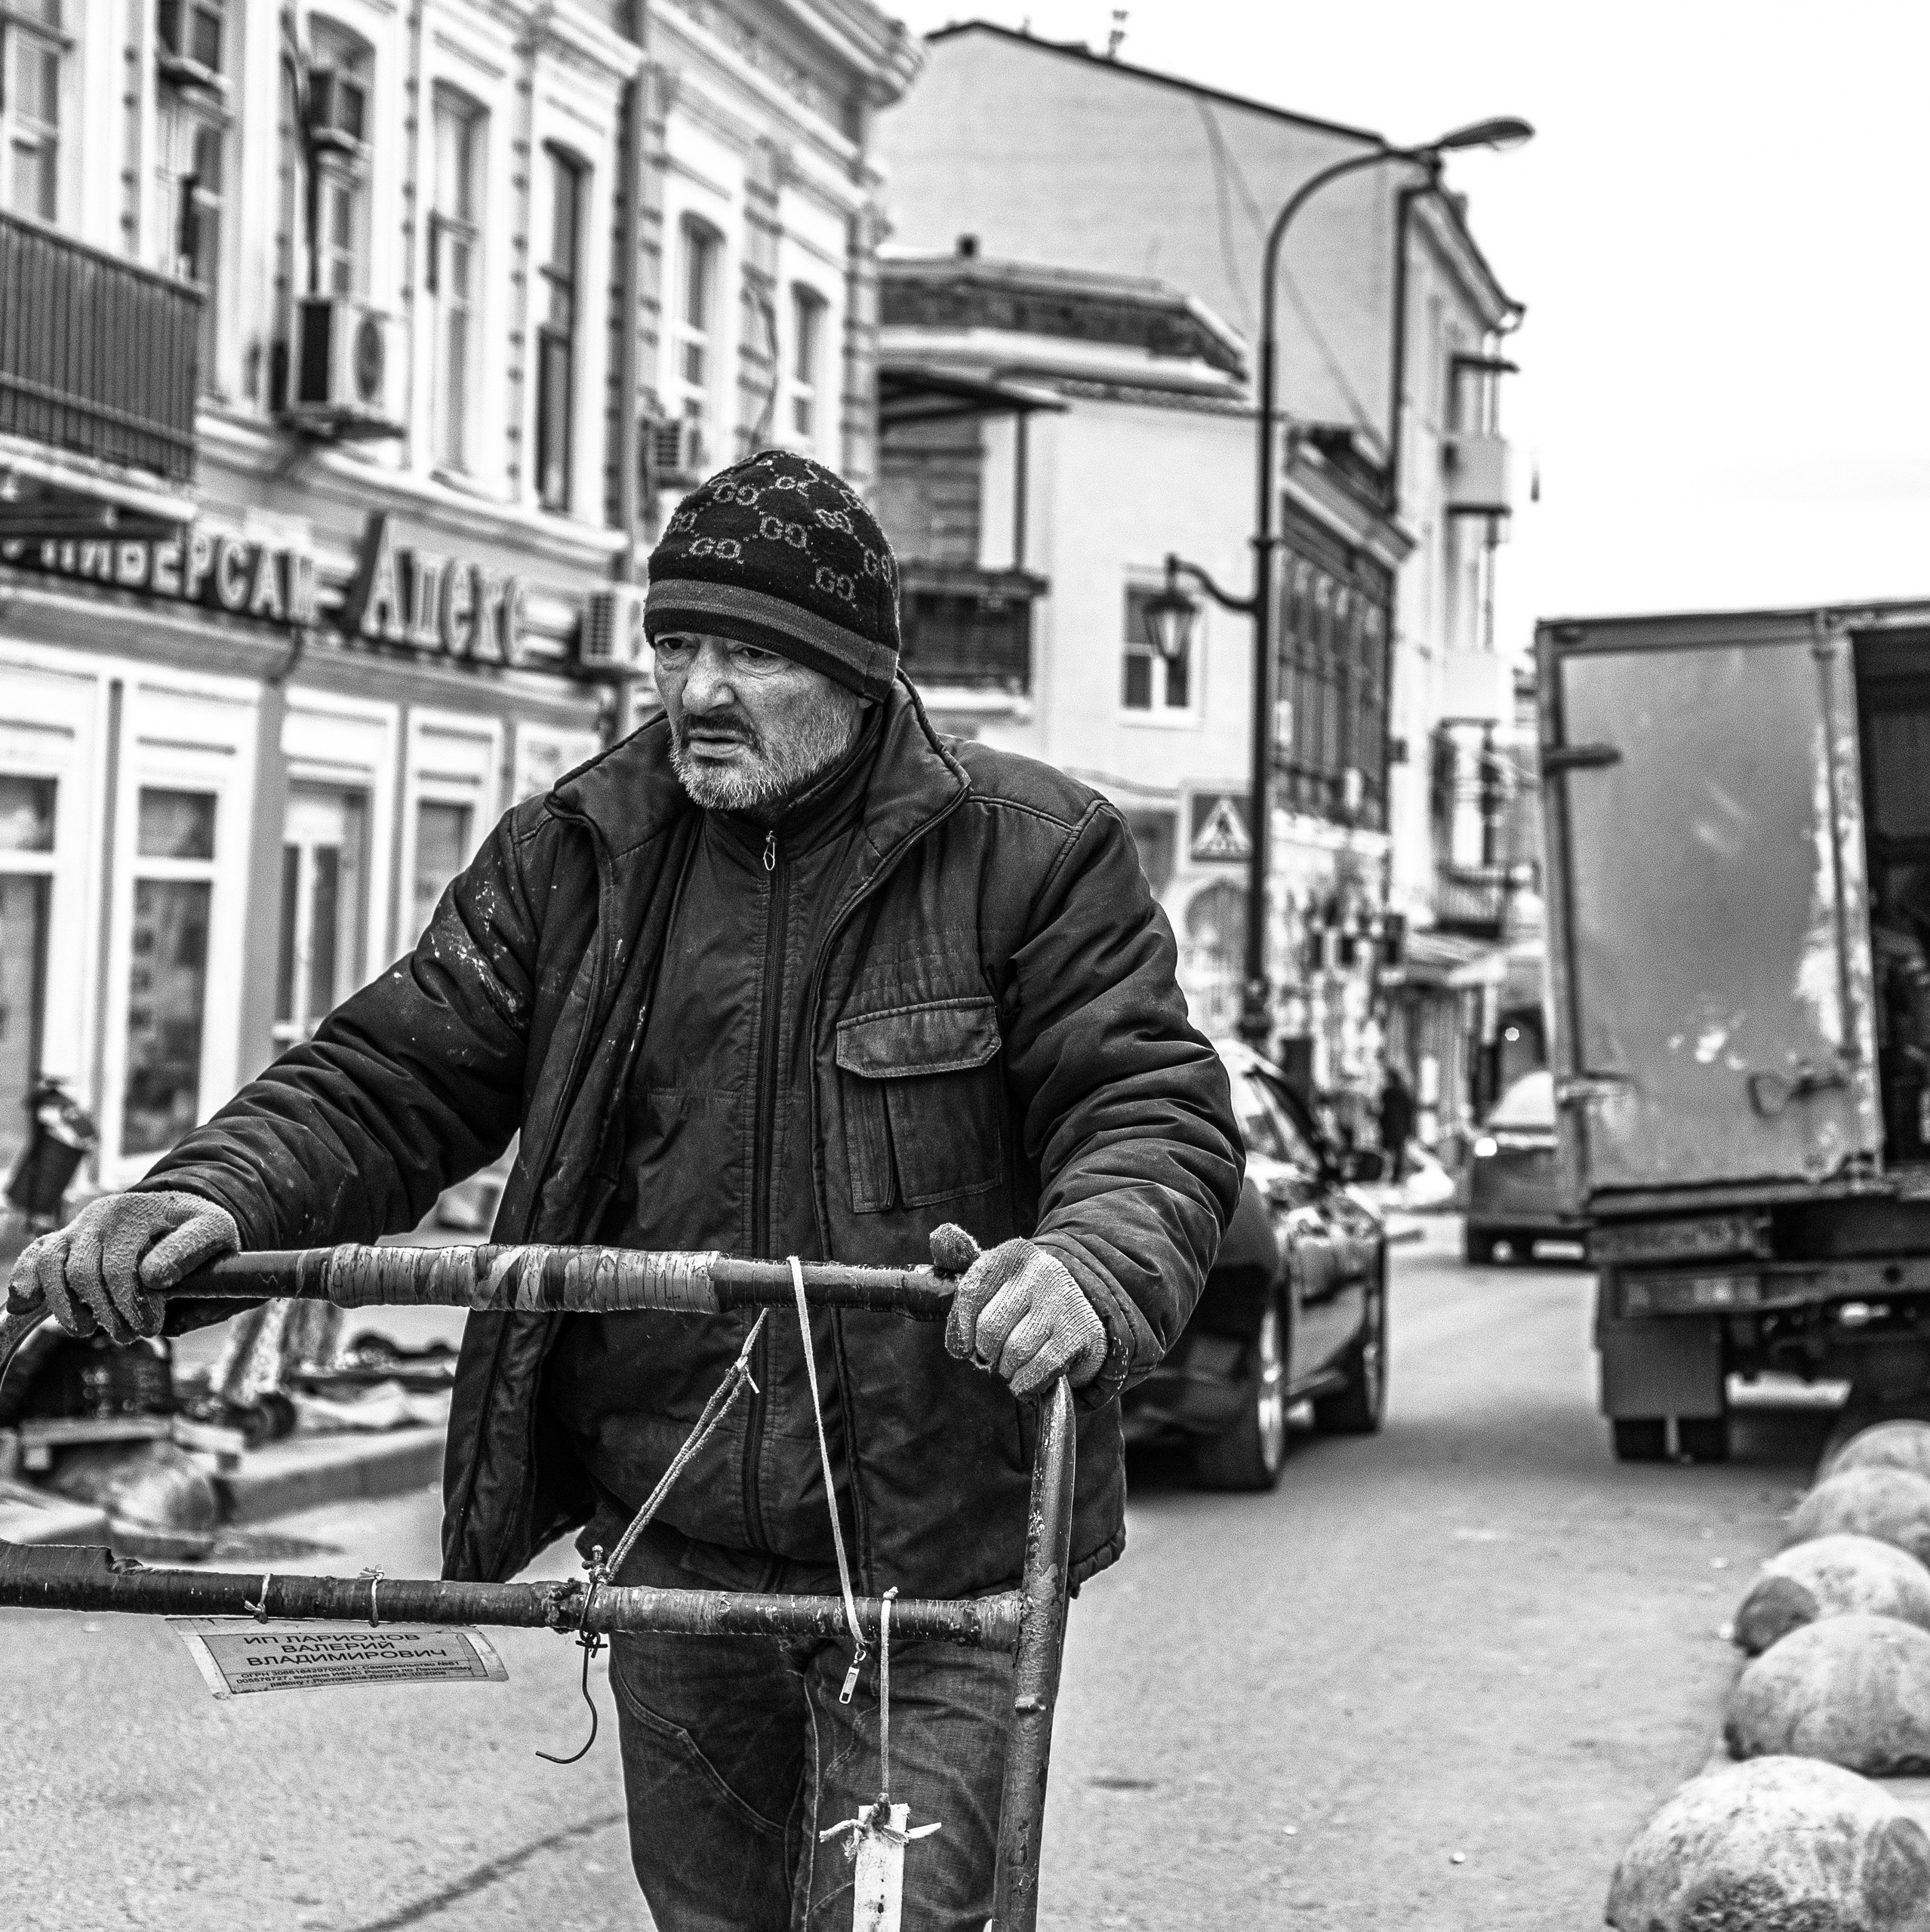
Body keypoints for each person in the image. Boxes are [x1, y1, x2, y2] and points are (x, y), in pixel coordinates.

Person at [9, 451, 1244, 1932]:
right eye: (677, 644)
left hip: (940, 1549)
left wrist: (1087, 1265)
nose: (698, 689)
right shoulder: (580, 852)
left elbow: (1150, 1111)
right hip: (675, 1532)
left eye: (751, 650)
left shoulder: (1032, 853)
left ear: (854, 668)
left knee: (906, 1919)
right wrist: (209, 1190)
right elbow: (390, 1073)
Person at [1378, 1065, 1417, 1184]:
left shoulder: (1386, 1093)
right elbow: (1409, 1111)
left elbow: (1382, 1111)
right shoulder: (1403, 1093)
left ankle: (1385, 1172)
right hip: (1400, 1126)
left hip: (1389, 1126)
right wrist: (1408, 1127)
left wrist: (1381, 1123)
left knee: (1386, 1151)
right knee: (1398, 1151)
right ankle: (1396, 1174)